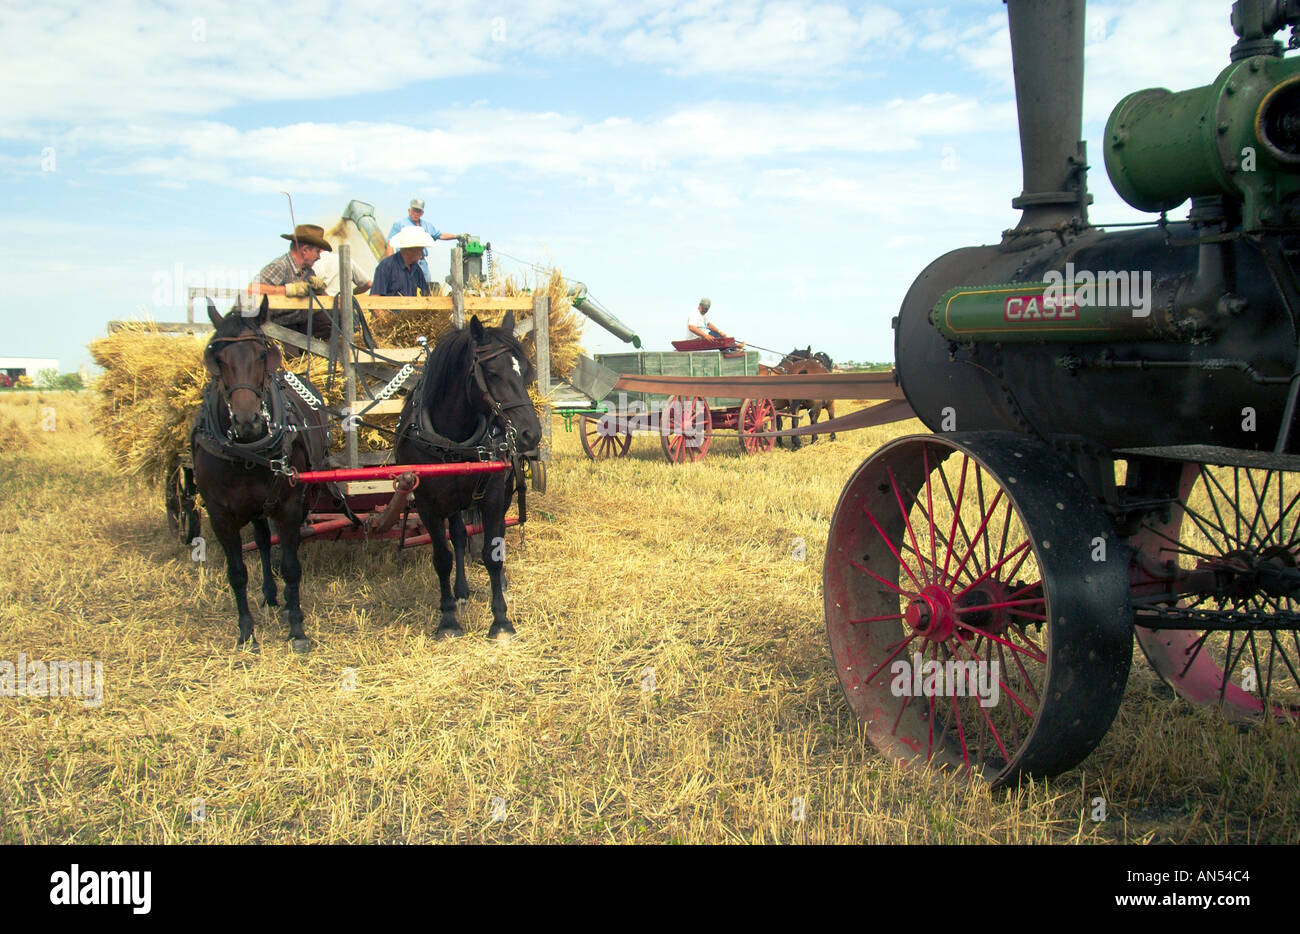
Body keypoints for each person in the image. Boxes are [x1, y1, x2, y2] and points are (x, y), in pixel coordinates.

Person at [247, 224, 334, 339]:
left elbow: (326, 304)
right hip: (276, 328)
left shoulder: (308, 272)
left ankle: (308, 350)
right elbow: (252, 290)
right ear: (305, 250)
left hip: (298, 323)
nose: (319, 257)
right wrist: (291, 289)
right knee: (290, 355)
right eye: (317, 252)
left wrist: (320, 291)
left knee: (335, 317)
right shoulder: (280, 266)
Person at [386, 198, 465, 284]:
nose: (415, 213)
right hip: (405, 261)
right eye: (414, 210)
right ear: (409, 210)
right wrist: (391, 264)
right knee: (406, 285)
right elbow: (390, 243)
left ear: (422, 213)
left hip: (421, 262)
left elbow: (440, 235)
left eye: (418, 211)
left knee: (425, 286)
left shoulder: (426, 226)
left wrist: (457, 236)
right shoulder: (400, 224)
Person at [372, 226, 435, 297]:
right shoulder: (386, 267)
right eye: (420, 249)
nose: (422, 254)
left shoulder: (417, 270)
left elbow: (425, 297)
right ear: (409, 250)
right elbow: (375, 299)